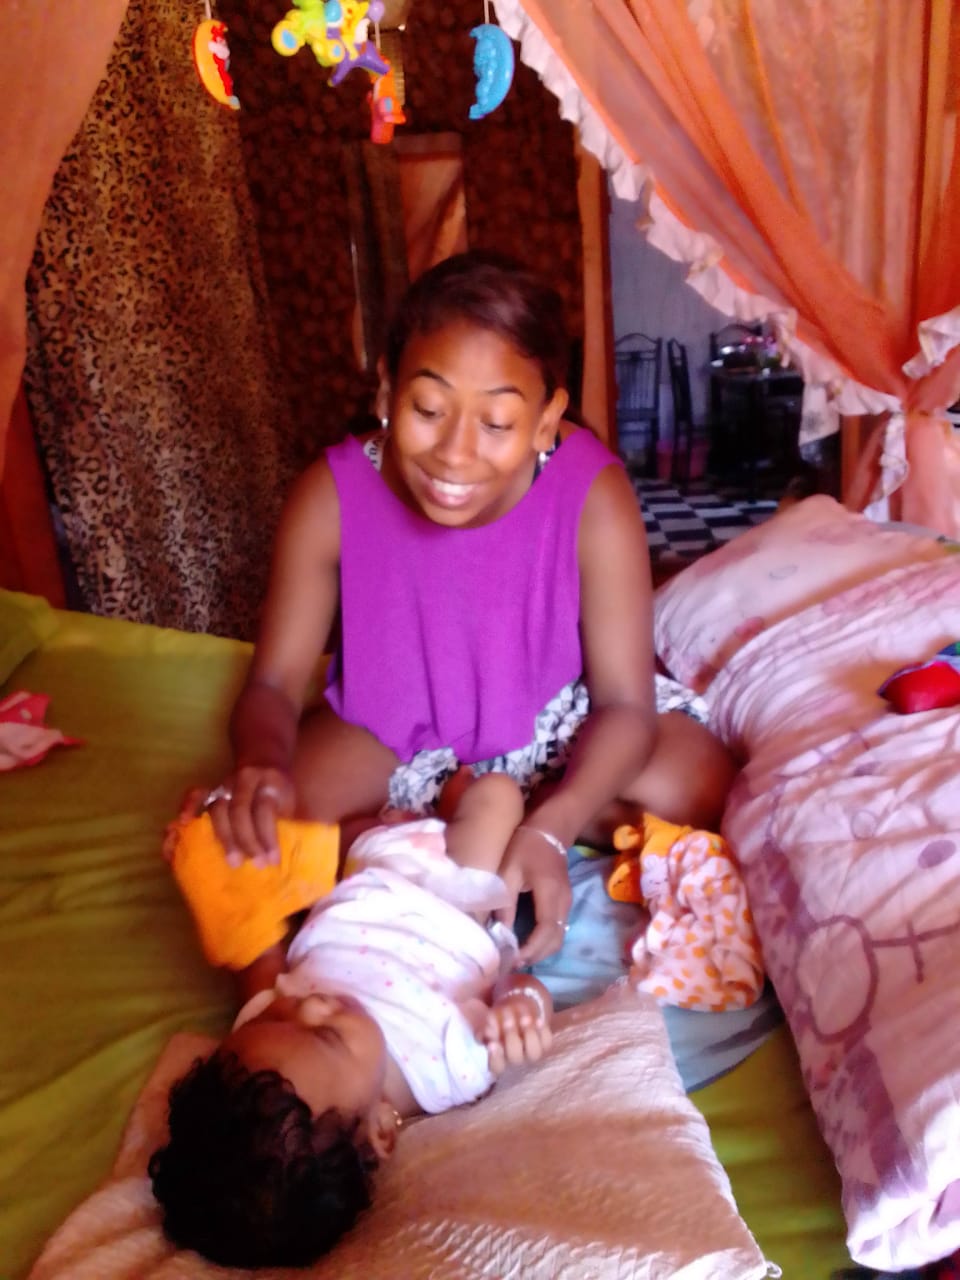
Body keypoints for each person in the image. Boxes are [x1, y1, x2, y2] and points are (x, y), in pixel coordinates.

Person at [199, 250, 736, 966]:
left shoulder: (592, 493)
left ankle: (444, 829)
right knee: (242, 834)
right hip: (395, 734)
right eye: (428, 410)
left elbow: (625, 703)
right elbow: (271, 684)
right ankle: (460, 818)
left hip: (555, 721)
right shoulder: (328, 496)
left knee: (694, 783)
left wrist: (552, 827)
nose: (455, 454)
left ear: (546, 420)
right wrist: (261, 763)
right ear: (387, 389)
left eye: (498, 422)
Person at [150, 813, 555, 1269]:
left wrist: (207, 862)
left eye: (279, 1016)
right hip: (451, 902)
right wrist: (521, 1004)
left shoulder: (264, 1039)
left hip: (362, 875)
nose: (309, 1005)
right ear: (381, 1127)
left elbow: (255, 952)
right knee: (495, 798)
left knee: (301, 818)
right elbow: (516, 988)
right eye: (327, 1035)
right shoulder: (449, 1066)